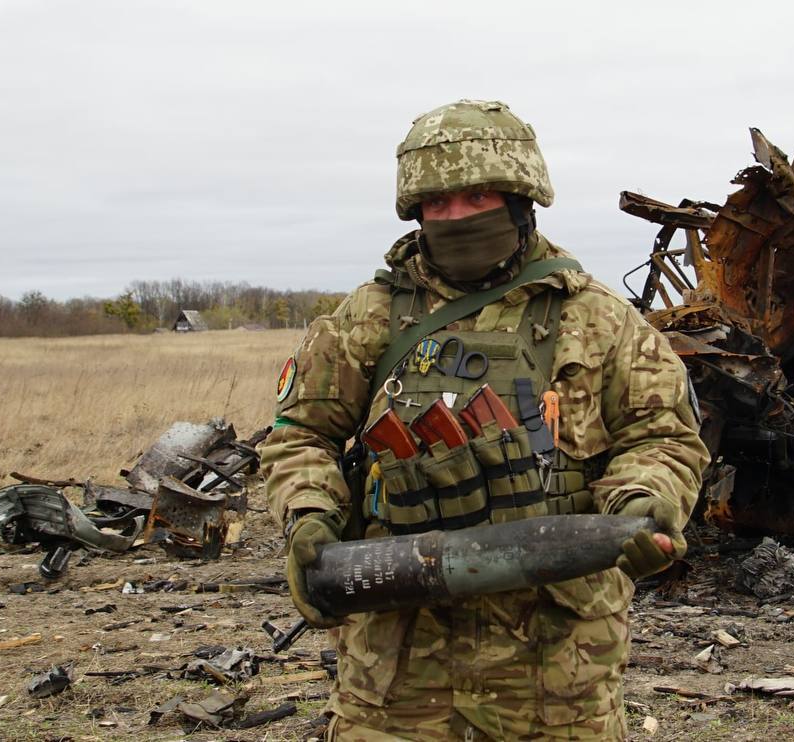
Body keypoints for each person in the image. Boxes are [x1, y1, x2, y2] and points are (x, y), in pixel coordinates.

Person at [260, 99, 708, 740]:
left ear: (520, 197)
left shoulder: (599, 318)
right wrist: (310, 517)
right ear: (415, 210)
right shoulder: (369, 318)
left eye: (476, 196)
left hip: (558, 670)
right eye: (437, 204)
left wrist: (642, 500)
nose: (457, 216)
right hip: (396, 669)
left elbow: (662, 435)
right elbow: (299, 433)